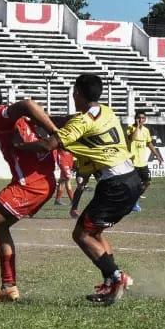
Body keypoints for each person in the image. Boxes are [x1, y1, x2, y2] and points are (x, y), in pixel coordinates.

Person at [30, 74, 140, 305]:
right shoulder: (105, 111)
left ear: (77, 93)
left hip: (115, 183)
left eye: (73, 92)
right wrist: (45, 119)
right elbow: (71, 119)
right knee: (96, 233)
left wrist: (18, 144)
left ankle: (117, 277)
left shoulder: (81, 123)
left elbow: (49, 144)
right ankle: (111, 283)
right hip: (130, 178)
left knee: (80, 234)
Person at [0, 81, 59, 304]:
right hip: (37, 182)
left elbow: (28, 104)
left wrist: (56, 133)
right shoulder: (4, 117)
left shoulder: (1, 115)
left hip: (30, 184)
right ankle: (9, 287)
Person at [126, 109, 163, 212]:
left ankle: (135, 200)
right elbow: (132, 139)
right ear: (135, 118)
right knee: (132, 185)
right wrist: (137, 127)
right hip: (132, 163)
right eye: (139, 118)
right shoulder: (130, 129)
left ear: (145, 119)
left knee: (148, 182)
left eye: (142, 118)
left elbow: (149, 143)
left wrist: (158, 156)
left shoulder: (146, 130)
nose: (141, 120)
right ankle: (129, 202)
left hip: (143, 162)